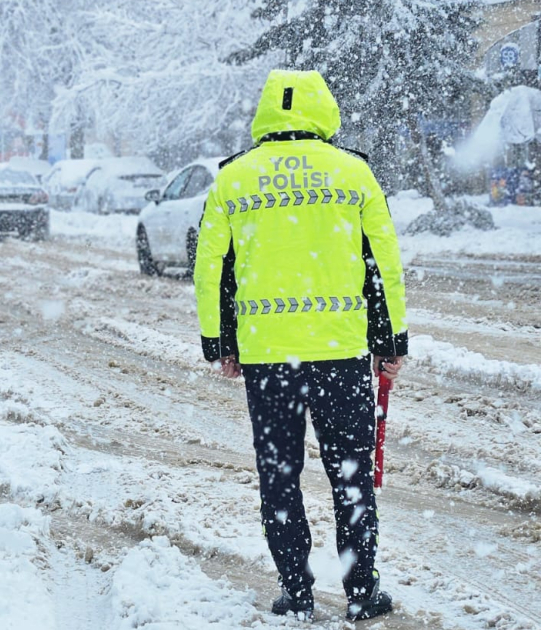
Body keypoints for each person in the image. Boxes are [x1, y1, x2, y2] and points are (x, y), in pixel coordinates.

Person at [193, 69, 407, 623]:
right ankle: (361, 594)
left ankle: (297, 592)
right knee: (352, 477)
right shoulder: (353, 172)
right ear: (323, 110)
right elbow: (381, 261)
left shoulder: (234, 179)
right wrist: (389, 339)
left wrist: (221, 342)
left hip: (269, 360)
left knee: (280, 476)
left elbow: (213, 266)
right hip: (341, 354)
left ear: (268, 111)